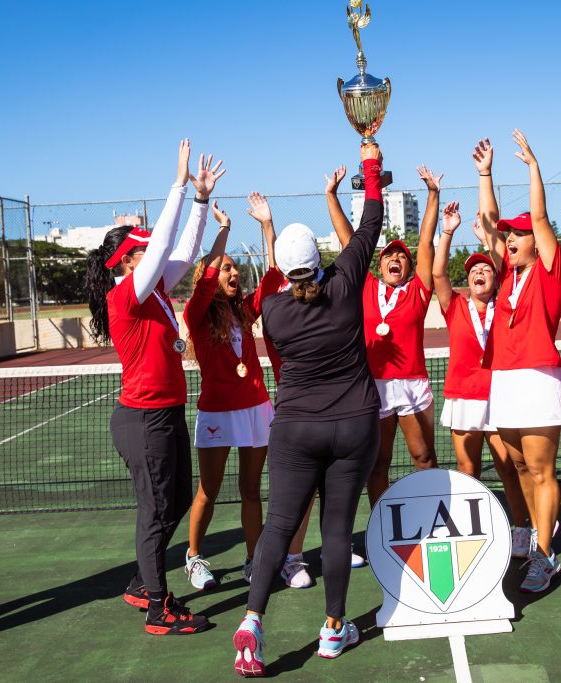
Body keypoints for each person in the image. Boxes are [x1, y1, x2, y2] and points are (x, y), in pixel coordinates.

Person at [232, 144, 385, 676]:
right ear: (318, 260)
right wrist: (370, 165)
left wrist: (266, 231)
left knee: (278, 527)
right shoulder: (343, 287)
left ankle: (252, 620)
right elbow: (371, 219)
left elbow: (276, 286)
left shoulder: (273, 311)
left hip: (295, 429)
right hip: (354, 424)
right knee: (337, 529)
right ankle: (333, 628)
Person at [85, 139, 219, 635]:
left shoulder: (157, 290)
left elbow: (180, 251)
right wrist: (179, 184)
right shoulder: (127, 295)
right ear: (125, 263)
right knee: (155, 509)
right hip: (143, 418)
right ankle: (159, 606)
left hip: (164, 413)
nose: (152, 255)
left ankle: (144, 581)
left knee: (177, 499)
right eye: (140, 252)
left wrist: (201, 202)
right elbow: (164, 245)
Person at [477, 132, 561, 593]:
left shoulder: (550, 271)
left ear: (537, 240)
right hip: (506, 382)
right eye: (509, 234)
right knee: (513, 466)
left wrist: (533, 166)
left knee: (540, 469)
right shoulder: (507, 274)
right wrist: (485, 174)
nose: (510, 238)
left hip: (536, 379)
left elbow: (539, 216)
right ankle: (536, 533)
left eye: (519, 233)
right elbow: (489, 222)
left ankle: (546, 554)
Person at [182, 196, 284, 590]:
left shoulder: (244, 310)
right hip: (217, 412)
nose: (234, 272)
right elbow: (209, 273)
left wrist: (267, 225)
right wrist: (223, 231)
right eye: (227, 268)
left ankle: (253, 559)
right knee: (208, 490)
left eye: (236, 268)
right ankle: (194, 557)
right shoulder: (196, 313)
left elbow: (274, 274)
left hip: (256, 409)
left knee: (250, 491)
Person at [326, 165, 441, 506]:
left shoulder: (419, 291)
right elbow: (351, 240)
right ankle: (382, 524)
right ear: (379, 266)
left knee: (423, 456)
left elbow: (425, 243)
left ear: (408, 266)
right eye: (388, 255)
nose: (395, 258)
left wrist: (433, 195)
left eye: (401, 256)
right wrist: (331, 195)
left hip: (412, 384)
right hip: (373, 385)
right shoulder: (366, 287)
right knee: (378, 462)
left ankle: (430, 514)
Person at [431, 201, 529, 558]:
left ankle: (521, 529)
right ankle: (467, 529)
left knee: (508, 468)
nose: (479, 274)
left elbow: (505, 264)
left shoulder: (505, 304)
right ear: (467, 279)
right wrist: (448, 232)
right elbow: (439, 274)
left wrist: (491, 244)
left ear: (494, 278)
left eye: (486, 270)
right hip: (463, 398)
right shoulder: (455, 306)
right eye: (473, 271)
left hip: (498, 397)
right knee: (467, 469)